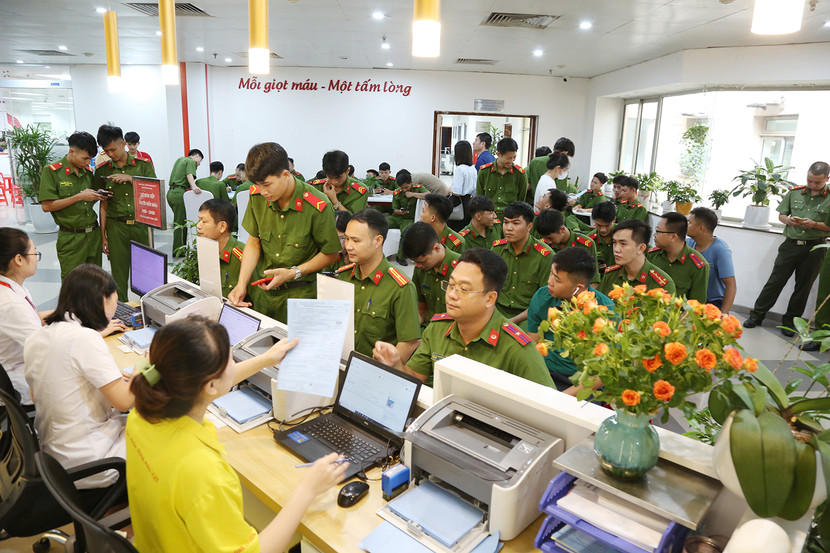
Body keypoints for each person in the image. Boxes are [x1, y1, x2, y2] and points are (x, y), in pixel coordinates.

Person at [126, 316, 347, 553]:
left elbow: (215, 382)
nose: (234, 360)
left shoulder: (140, 416)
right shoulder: (202, 472)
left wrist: (264, 359)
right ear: (210, 385)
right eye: (230, 357)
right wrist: (307, 490)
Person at [373, 248, 554, 388]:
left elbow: (550, 407)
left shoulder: (517, 349)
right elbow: (413, 378)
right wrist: (395, 365)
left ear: (490, 298)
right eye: (451, 285)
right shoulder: (437, 329)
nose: (452, 295)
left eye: (464, 289)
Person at [23, 265, 130, 491]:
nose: (115, 307)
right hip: (90, 460)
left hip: (54, 455)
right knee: (158, 434)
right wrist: (146, 370)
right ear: (101, 299)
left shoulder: (38, 336)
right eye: (115, 301)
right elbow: (124, 402)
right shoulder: (84, 339)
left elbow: (38, 392)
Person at [228, 142, 340, 323]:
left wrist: (294, 272)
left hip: (299, 297)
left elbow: (330, 254)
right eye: (257, 185)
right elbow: (253, 242)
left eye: (267, 185)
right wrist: (242, 284)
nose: (263, 192)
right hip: (264, 294)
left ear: (286, 174)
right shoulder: (257, 197)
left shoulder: (317, 205)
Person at [745, 161, 830, 335]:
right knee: (775, 281)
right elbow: (782, 215)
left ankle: (790, 322)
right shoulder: (795, 192)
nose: (812, 185)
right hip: (791, 245)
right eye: (810, 180)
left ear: (827, 179)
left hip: (815, 248)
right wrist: (788, 220)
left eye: (817, 182)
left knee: (803, 286)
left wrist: (815, 224)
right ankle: (757, 315)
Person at [335, 210, 420, 360]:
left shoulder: (400, 288)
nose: (348, 246)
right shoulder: (342, 276)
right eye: (346, 239)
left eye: (356, 240)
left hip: (374, 370)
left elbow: (409, 342)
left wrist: (383, 371)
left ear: (378, 241)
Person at [527, 247, 614, 393]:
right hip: (545, 373)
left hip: (582, 383)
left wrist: (564, 397)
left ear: (577, 288)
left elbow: (603, 373)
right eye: (551, 274)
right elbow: (532, 347)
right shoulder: (542, 297)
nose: (549, 282)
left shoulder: (604, 310)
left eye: (557, 279)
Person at [94, 124, 157, 301]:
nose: (111, 154)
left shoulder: (143, 166)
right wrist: (104, 235)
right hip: (116, 228)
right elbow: (102, 204)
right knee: (118, 274)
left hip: (141, 226)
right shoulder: (102, 170)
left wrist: (131, 179)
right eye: (107, 151)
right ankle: (120, 309)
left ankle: (148, 309)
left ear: (123, 143)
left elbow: (154, 191)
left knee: (147, 273)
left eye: (113, 149)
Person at [40, 131, 106, 278]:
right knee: (73, 283)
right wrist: (78, 197)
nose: (88, 162)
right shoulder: (52, 172)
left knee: (95, 282)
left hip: (93, 235)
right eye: (85, 158)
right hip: (71, 238)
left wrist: (97, 195)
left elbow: (86, 201)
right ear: (71, 151)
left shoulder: (87, 172)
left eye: (90, 159)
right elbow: (47, 206)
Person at [0, 228, 47, 405]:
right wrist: (94, 333)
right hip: (18, 383)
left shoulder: (9, 287)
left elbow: (29, 319)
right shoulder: (11, 303)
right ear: (19, 259)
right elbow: (47, 348)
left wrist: (62, 314)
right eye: (34, 253)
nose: (36, 258)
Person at [491, 201, 553, 328]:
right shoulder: (497, 248)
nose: (508, 228)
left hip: (528, 315)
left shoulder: (545, 256)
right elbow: (488, 287)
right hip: (496, 311)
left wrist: (511, 322)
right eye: (506, 222)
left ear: (529, 226)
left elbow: (543, 301)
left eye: (515, 223)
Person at [196, 199, 258, 299]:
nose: (198, 226)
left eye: (204, 221)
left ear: (222, 226)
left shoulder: (244, 258)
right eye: (199, 221)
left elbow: (258, 300)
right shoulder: (206, 250)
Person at [402, 222, 460, 324]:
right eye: (414, 262)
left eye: (421, 262)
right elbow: (421, 308)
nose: (417, 266)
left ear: (436, 248)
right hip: (427, 330)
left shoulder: (461, 267)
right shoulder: (420, 268)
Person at [598, 219, 676, 295]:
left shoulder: (662, 284)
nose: (616, 249)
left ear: (641, 248)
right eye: (614, 242)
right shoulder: (610, 275)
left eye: (623, 244)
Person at [647, 212, 710, 302]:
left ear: (673, 236)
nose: (654, 235)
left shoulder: (698, 266)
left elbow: (696, 305)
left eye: (658, 231)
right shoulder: (652, 255)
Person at [686, 207, 737, 313]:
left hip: (712, 303)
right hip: (691, 299)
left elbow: (731, 285)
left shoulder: (721, 250)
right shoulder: (688, 244)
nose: (686, 226)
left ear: (700, 228)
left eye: (689, 223)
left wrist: (723, 314)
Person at [535, 209, 600, 283]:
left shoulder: (585, 244)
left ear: (562, 229)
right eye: (544, 238)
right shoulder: (543, 246)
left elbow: (593, 279)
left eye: (550, 238)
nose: (548, 242)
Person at [475, 137, 528, 218]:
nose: (511, 161)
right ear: (498, 154)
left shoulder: (520, 174)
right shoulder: (484, 172)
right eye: (508, 158)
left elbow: (521, 203)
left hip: (510, 220)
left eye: (514, 157)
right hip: (489, 220)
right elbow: (480, 200)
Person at [167, 149, 204, 254]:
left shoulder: (180, 160)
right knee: (181, 223)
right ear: (196, 156)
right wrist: (194, 186)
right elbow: (189, 175)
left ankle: (179, 248)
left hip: (171, 193)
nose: (198, 164)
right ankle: (179, 250)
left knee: (178, 220)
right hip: (179, 193)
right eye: (199, 162)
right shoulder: (191, 161)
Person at [386, 170, 426, 263]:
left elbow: (428, 195)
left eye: (406, 187)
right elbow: (394, 209)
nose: (404, 190)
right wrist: (399, 212)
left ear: (411, 183)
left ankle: (400, 257)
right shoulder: (397, 192)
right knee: (380, 223)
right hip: (397, 217)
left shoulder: (418, 188)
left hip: (409, 218)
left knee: (406, 232)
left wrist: (413, 194)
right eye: (402, 188)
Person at [451, 141, 477, 227]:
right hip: (469, 202)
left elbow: (456, 192)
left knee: (456, 228)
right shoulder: (473, 168)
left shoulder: (460, 169)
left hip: (459, 203)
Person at [589, 201, 616, 274]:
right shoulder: (590, 240)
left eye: (607, 225)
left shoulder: (625, 235)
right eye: (599, 225)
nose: (603, 230)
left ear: (614, 220)